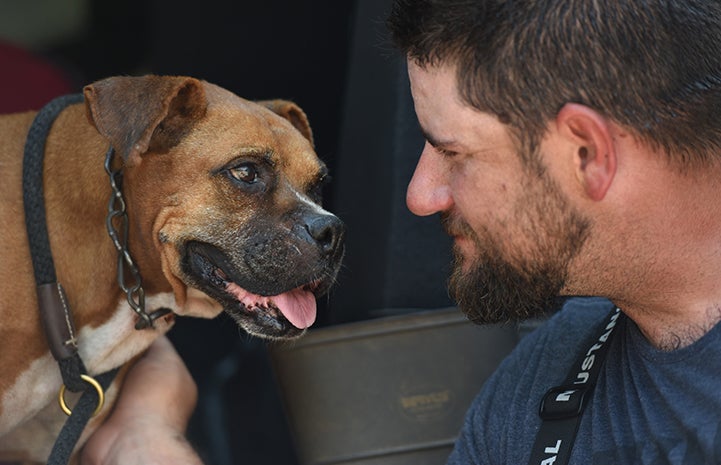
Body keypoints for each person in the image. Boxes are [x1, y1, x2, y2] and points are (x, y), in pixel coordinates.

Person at [83, 0, 721, 463]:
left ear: (588, 154)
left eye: (454, 153)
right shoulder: (537, 392)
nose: (420, 196)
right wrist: (149, 441)